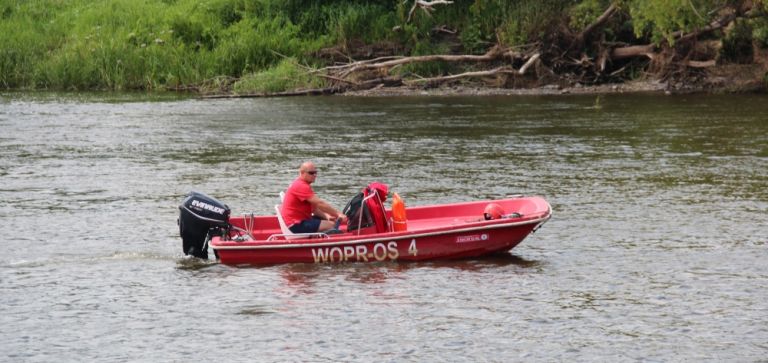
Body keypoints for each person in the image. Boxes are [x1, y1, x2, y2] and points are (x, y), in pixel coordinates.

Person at [281, 161, 347, 233]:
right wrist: (338, 214)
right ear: (302, 173)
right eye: (311, 173)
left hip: (299, 221)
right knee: (332, 225)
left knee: (327, 221)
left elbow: (314, 210)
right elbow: (320, 203)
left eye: (315, 172)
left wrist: (327, 216)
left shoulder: (302, 184)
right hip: (296, 225)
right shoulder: (301, 186)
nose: (314, 175)